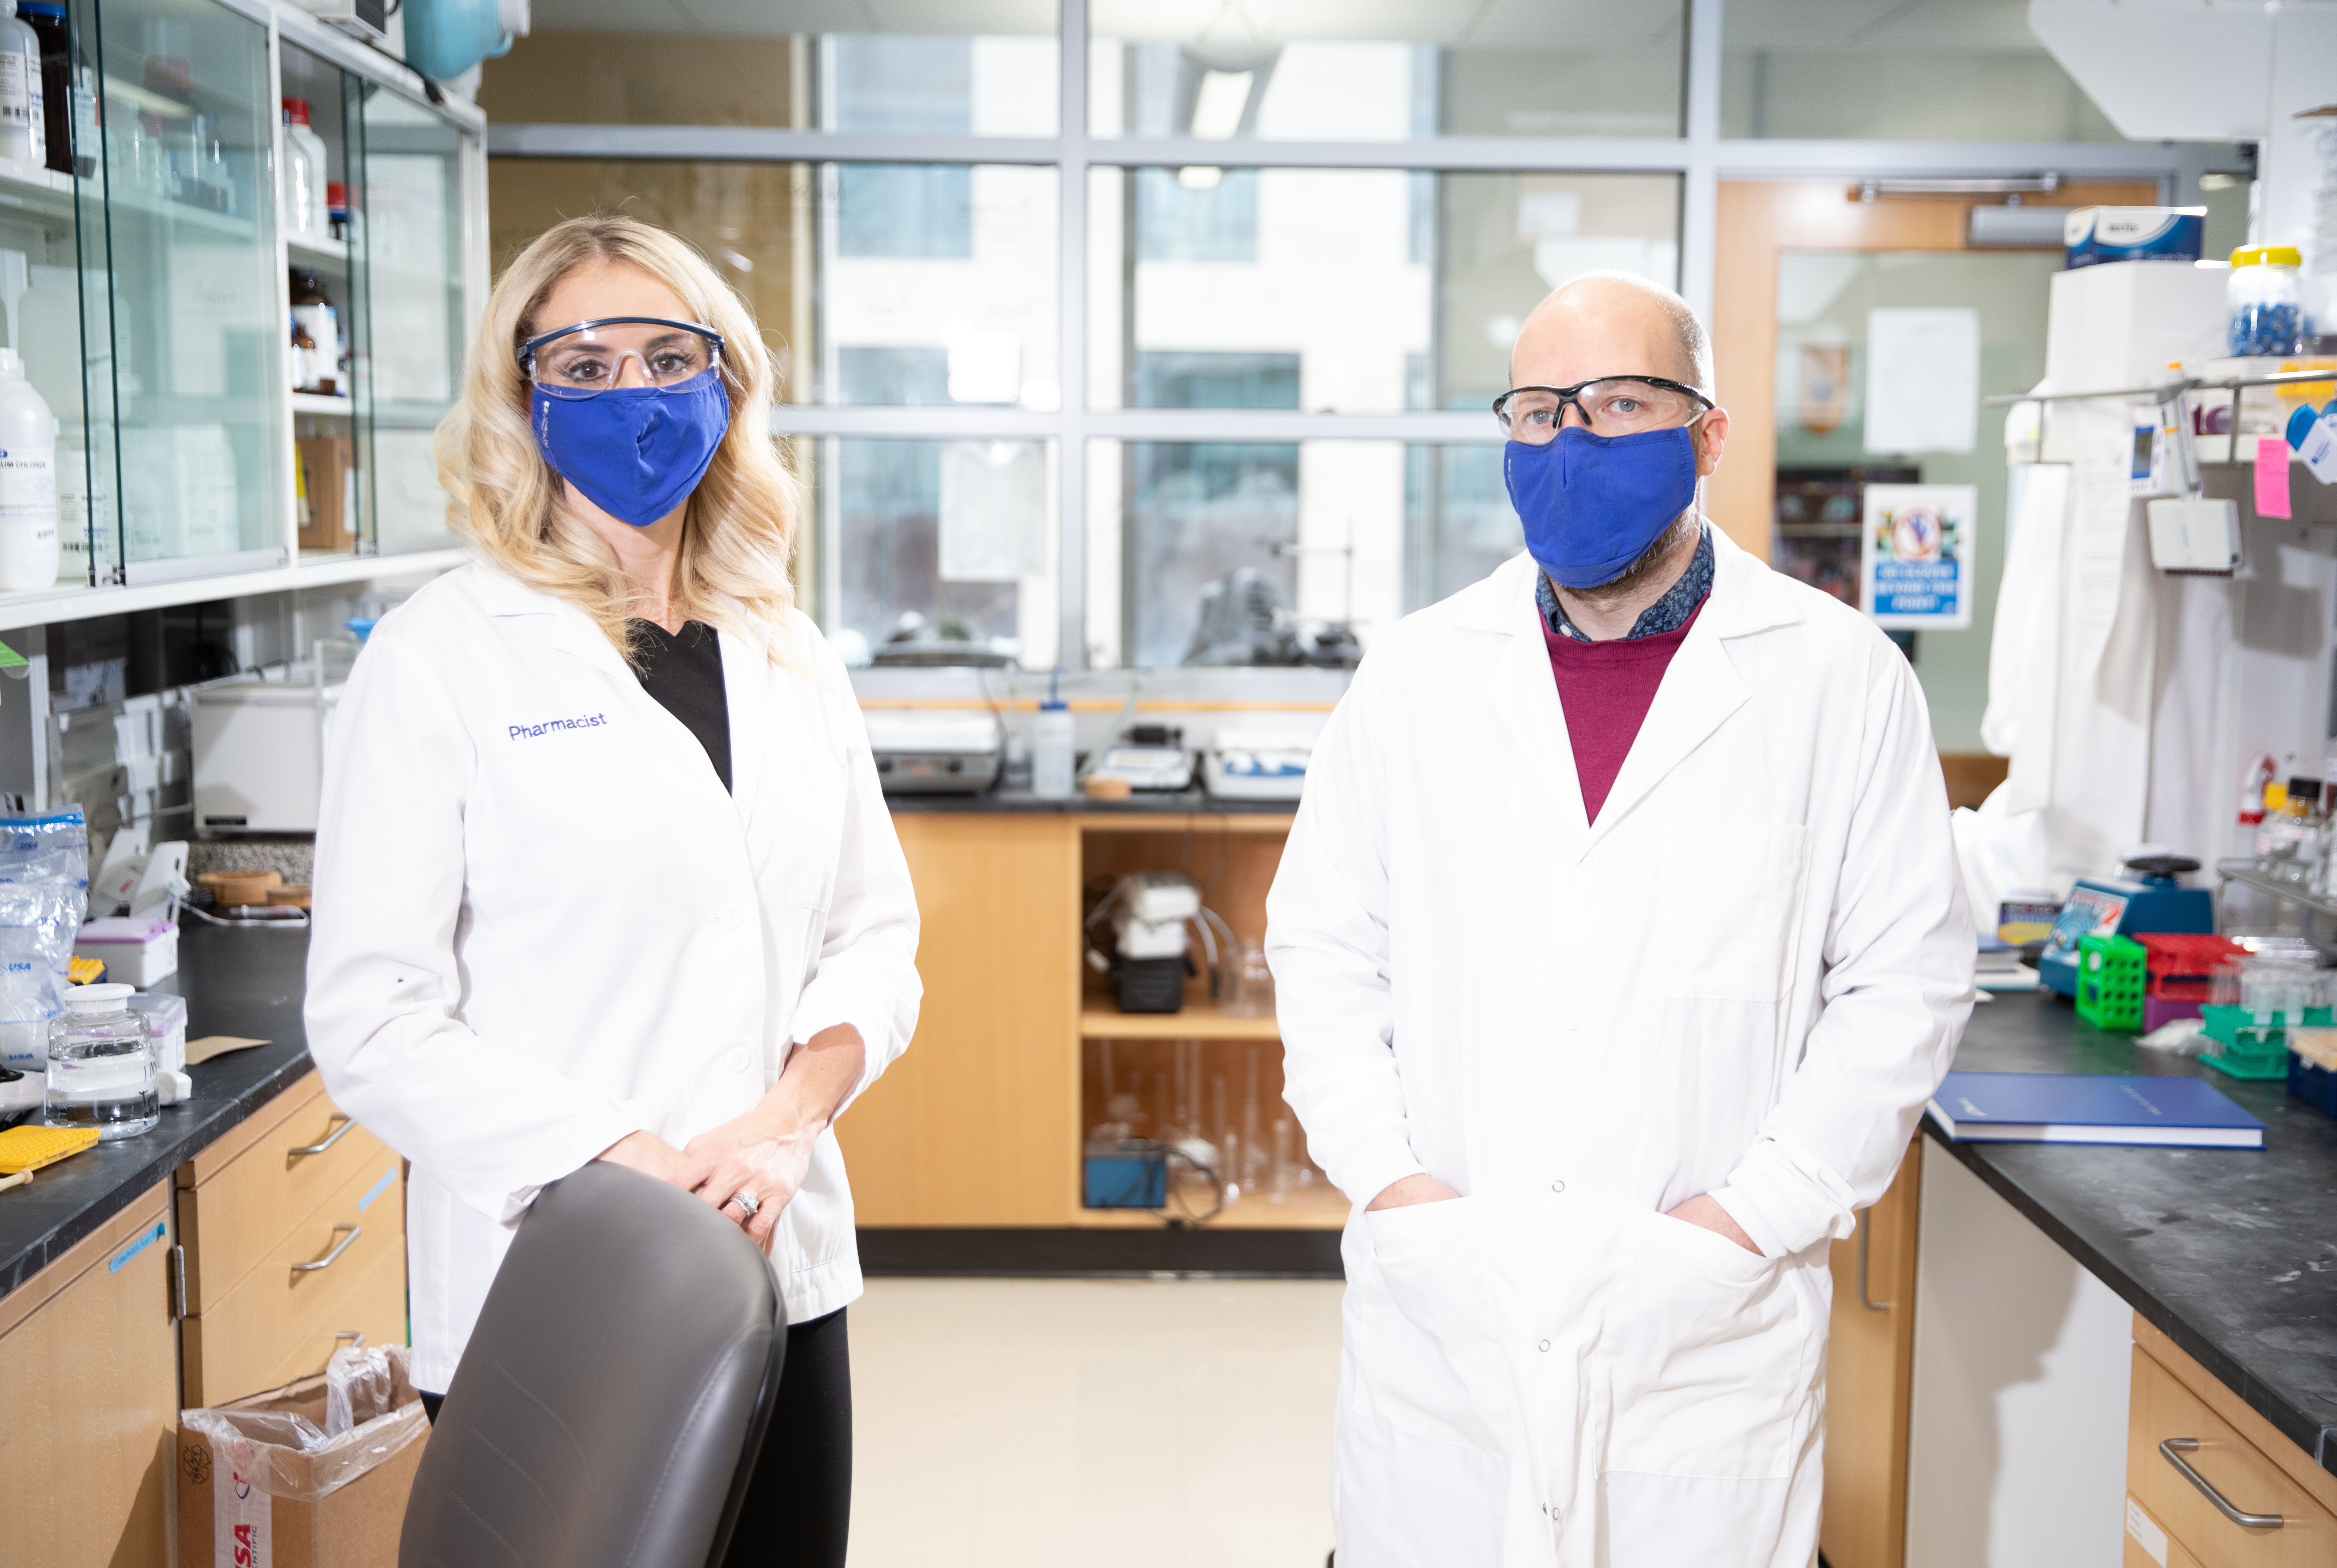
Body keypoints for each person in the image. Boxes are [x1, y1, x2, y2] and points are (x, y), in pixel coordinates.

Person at [1265, 272, 1974, 1566]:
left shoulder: (1837, 678)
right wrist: (1393, 1183)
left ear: (1706, 434)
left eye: (1619, 402)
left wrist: (1757, 1214)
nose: (1572, 441)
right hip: (1451, 1304)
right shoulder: (1417, 674)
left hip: (1699, 1331)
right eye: (1538, 411)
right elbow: (1320, 950)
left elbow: (1904, 986)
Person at [305, 215, 920, 1567]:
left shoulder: (786, 646)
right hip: (560, 1285)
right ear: (520, 398)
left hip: (780, 1257)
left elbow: (876, 935)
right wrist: (636, 1168)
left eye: (665, 355)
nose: (629, 394)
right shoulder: (440, 659)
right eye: (581, 364)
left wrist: (779, 1125)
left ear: (728, 384)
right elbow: (372, 1017)